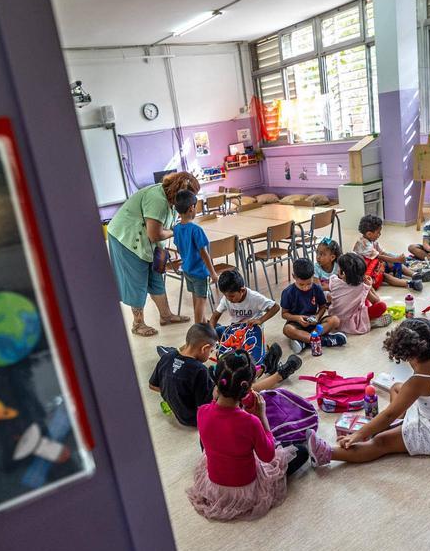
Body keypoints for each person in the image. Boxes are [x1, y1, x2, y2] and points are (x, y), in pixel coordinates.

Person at [186, 349, 330, 521]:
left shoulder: (202, 411)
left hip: (215, 486)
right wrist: (261, 416)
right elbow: (268, 456)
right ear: (247, 390)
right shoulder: (250, 422)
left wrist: (215, 401)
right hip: (247, 489)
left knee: (216, 440)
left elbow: (220, 423)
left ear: (217, 384)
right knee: (301, 452)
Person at [304, 318, 430, 467]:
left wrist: (359, 434)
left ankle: (326, 453)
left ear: (409, 353)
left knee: (381, 442)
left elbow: (389, 414)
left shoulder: (418, 381)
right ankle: (397, 425)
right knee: (396, 387)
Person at [149, 324, 301, 428]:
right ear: (204, 348)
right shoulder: (198, 370)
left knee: (229, 377)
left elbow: (153, 385)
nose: (211, 354)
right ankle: (280, 374)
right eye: (211, 351)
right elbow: (208, 404)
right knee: (236, 387)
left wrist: (174, 392)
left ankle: (266, 366)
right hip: (196, 418)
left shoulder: (167, 358)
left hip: (182, 414)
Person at [107, 171, 200, 336]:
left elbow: (159, 233)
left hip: (152, 243)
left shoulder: (172, 200)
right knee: (138, 280)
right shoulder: (157, 199)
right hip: (127, 238)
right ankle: (138, 324)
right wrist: (176, 231)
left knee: (157, 275)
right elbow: (155, 234)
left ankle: (166, 315)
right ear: (178, 191)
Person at [171, 189, 217, 324]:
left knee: (195, 298)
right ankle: (198, 329)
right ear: (192, 208)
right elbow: (204, 253)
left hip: (187, 270)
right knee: (202, 300)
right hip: (200, 272)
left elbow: (179, 249)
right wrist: (213, 273)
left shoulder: (176, 228)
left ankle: (202, 322)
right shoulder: (196, 230)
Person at [280, 258, 344, 354]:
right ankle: (324, 341)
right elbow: (284, 314)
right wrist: (298, 318)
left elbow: (323, 307)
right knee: (287, 330)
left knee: (335, 320)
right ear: (294, 276)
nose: (305, 287)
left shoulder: (316, 288)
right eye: (301, 284)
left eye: (309, 284)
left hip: (314, 324)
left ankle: (305, 342)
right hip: (297, 325)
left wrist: (317, 317)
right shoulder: (288, 292)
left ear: (313, 276)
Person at [354, 214, 428, 292]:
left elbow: (383, 253)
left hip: (375, 266)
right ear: (369, 234)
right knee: (385, 276)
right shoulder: (363, 244)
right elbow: (379, 257)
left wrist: (396, 257)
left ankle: (415, 275)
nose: (380, 235)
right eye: (378, 232)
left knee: (394, 263)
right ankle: (410, 283)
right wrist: (396, 259)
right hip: (365, 273)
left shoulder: (373, 241)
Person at [328, 252, 392, 335]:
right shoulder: (362, 287)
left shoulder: (334, 281)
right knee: (382, 306)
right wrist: (369, 286)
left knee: (360, 300)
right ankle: (370, 322)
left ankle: (368, 321)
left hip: (335, 319)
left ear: (342, 273)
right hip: (352, 322)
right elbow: (376, 301)